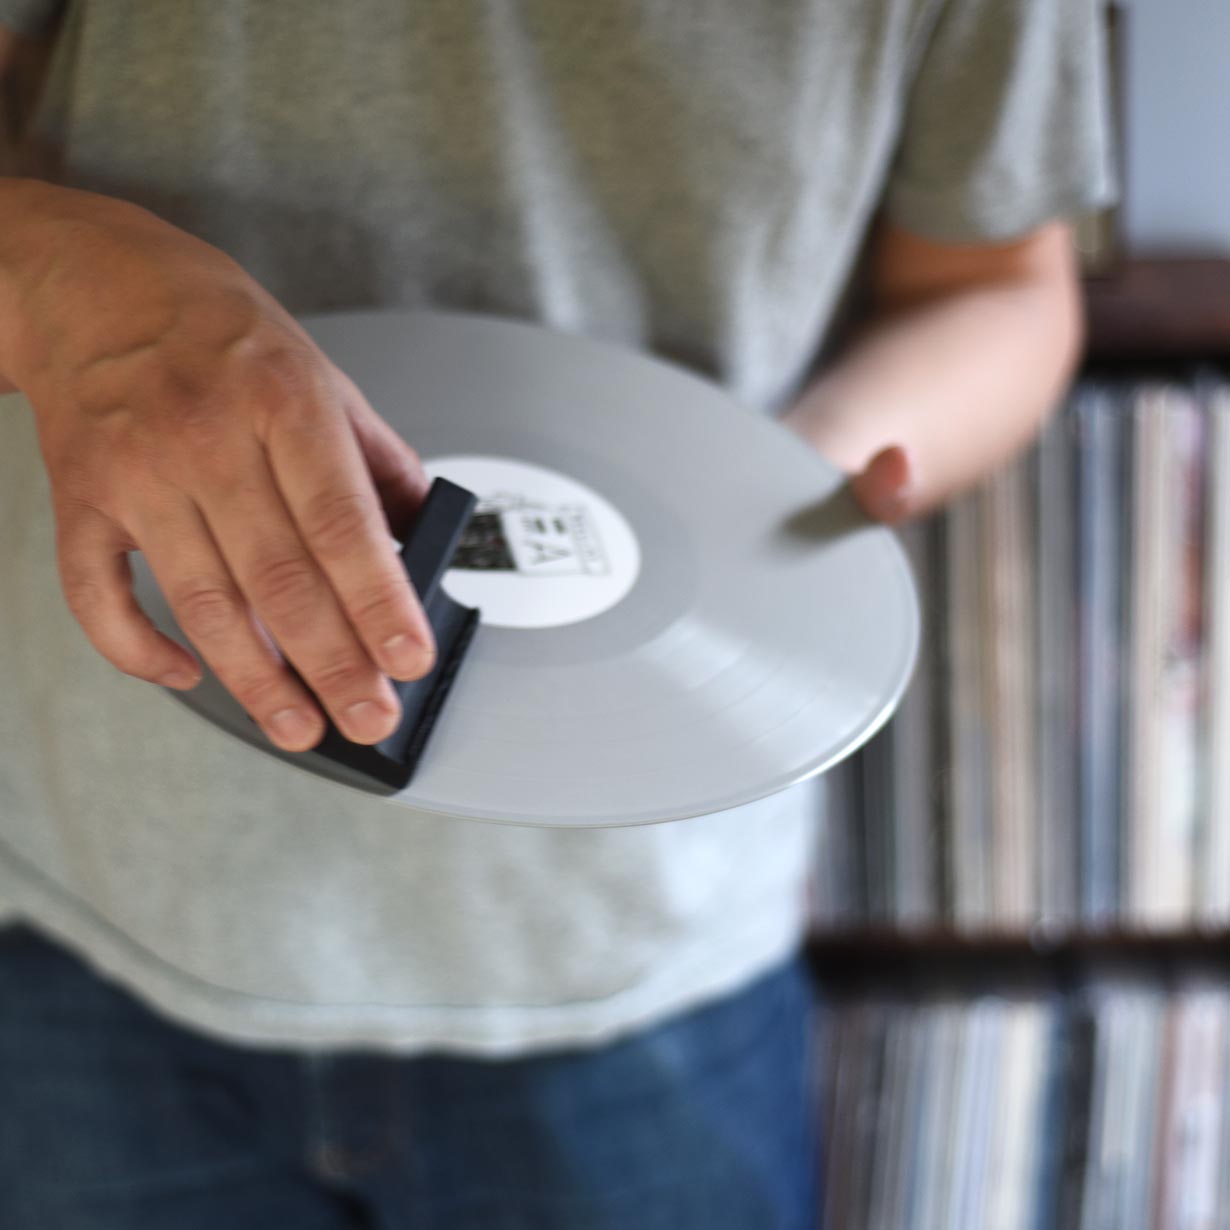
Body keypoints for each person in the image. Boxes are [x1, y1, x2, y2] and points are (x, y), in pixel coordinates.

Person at [0, 2, 1112, 1227]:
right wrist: (59, 270)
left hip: (644, 958)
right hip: (96, 916)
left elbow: (1001, 285)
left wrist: (785, 481)